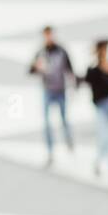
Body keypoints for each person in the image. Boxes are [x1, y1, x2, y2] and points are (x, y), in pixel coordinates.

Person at [29, 26, 77, 168]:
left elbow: (70, 70)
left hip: (60, 90)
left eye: (50, 35)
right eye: (46, 35)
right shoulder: (40, 52)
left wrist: (73, 86)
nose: (48, 38)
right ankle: (50, 151)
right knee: (47, 123)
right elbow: (31, 70)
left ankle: (69, 141)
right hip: (47, 91)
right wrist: (36, 67)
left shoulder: (61, 51)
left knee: (64, 119)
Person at [81, 39, 108, 183]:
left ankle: (97, 163)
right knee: (106, 137)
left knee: (106, 137)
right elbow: (86, 81)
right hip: (100, 107)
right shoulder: (93, 69)